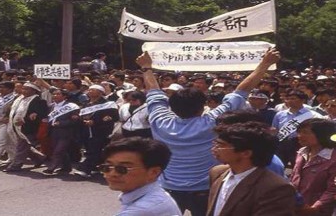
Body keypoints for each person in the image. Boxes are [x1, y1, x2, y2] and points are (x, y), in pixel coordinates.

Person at [135, 48, 280, 216]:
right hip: (205, 189)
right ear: (201, 106)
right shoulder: (211, 122)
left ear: (172, 106)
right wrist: (265, 64)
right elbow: (241, 91)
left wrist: (146, 67)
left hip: (168, 188)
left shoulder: (160, 121)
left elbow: (153, 91)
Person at [207, 122, 296, 216]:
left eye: (221, 145)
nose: (214, 149)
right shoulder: (217, 173)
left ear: (246, 153)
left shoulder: (275, 188)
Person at [100, 136, 181, 216]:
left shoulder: (142, 210)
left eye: (122, 169)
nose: (112, 174)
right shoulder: (155, 195)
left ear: (153, 172)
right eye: (107, 167)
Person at [290, 118, 336, 216]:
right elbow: (294, 178)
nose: (300, 136)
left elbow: (332, 190)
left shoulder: (333, 158)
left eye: (305, 132)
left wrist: (315, 207)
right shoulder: (302, 152)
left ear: (322, 134)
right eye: (299, 132)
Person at [74, 84, 119, 177]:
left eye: (93, 90)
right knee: (91, 149)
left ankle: (84, 169)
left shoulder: (108, 104)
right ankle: (95, 167)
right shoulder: (86, 104)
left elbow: (113, 117)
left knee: (94, 150)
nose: (90, 92)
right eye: (89, 90)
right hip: (86, 130)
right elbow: (81, 115)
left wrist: (96, 122)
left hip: (100, 131)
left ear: (100, 92)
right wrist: (82, 120)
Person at [272, 89, 324, 167]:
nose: (289, 101)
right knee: (278, 165)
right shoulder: (280, 114)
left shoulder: (313, 115)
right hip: (282, 143)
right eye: (288, 99)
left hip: (301, 143)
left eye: (293, 98)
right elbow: (275, 129)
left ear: (302, 100)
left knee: (299, 166)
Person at [5, 82, 48, 172]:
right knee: (24, 145)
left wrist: (25, 120)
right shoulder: (19, 99)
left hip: (28, 128)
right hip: (15, 126)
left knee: (22, 146)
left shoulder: (38, 101)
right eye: (23, 88)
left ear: (34, 91)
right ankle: (39, 158)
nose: (23, 91)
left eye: (26, 89)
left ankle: (16, 165)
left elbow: (41, 115)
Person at [42, 89, 81, 175]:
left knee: (58, 151)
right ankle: (66, 167)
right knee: (61, 150)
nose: (55, 96)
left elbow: (75, 120)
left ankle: (51, 168)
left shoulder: (71, 106)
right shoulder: (51, 106)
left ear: (64, 96)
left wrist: (61, 123)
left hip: (66, 132)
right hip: (53, 131)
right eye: (54, 94)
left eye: (58, 94)